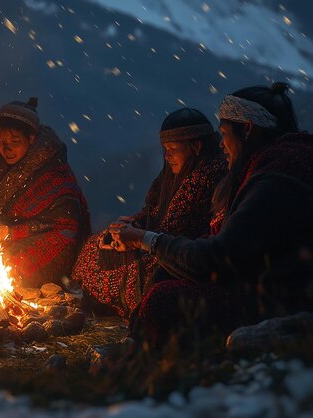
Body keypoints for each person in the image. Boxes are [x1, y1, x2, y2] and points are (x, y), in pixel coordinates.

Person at [109, 83, 313, 347]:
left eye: (225, 133)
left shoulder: (275, 179)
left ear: (247, 129)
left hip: (282, 297)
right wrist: (137, 227)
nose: (223, 144)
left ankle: (144, 361)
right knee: (164, 274)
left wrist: (144, 239)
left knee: (164, 298)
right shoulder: (272, 165)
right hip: (262, 279)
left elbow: (219, 257)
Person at [72, 108, 227, 318]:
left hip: (177, 257)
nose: (167, 155)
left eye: (173, 148)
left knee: (130, 272)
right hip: (153, 241)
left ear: (196, 147)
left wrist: (133, 236)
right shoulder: (173, 175)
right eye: (164, 148)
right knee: (94, 245)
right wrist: (130, 224)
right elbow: (152, 212)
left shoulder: (205, 178)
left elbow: (173, 229)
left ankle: (109, 305)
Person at [0, 97, 91, 288]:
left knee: (11, 259)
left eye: (15, 140)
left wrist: (8, 232)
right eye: (0, 141)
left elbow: (67, 223)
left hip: (33, 240)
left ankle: (13, 285)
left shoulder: (52, 170)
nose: (7, 148)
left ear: (31, 139)